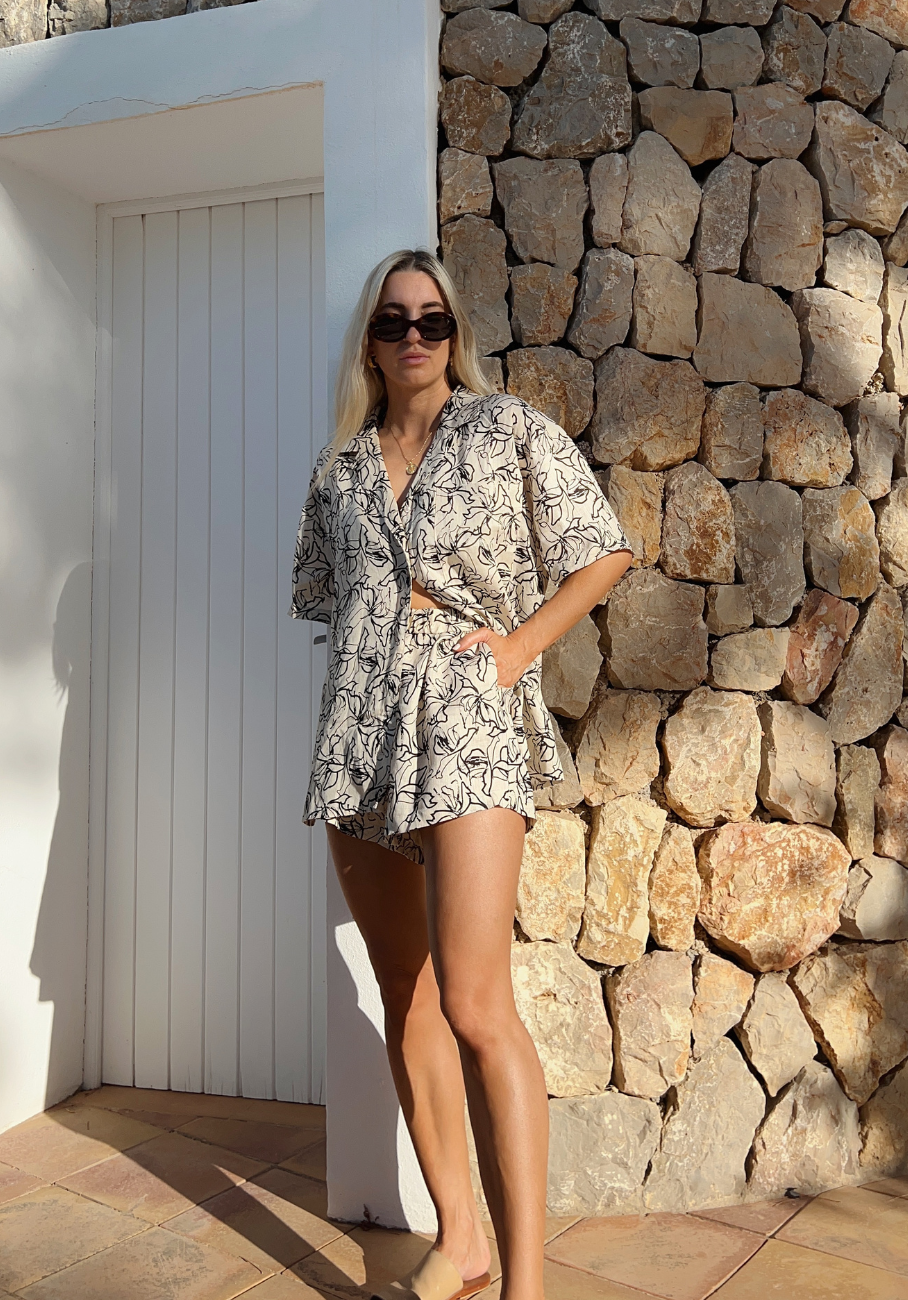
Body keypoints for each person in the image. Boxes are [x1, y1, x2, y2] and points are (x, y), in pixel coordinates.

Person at [290, 249, 632, 1300]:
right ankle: (461, 1239)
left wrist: (519, 647)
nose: (413, 337)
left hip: (469, 718)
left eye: (431, 320)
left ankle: (525, 1285)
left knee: (478, 1004)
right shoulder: (339, 472)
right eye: (392, 322)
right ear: (369, 341)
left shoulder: (504, 428)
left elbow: (603, 549)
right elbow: (324, 594)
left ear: (454, 335)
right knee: (405, 986)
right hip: (361, 734)